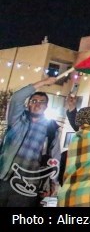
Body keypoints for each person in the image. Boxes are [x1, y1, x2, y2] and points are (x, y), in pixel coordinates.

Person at [0, 76, 61, 207]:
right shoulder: (16, 119)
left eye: (42, 102)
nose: (37, 104)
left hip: (28, 185)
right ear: (28, 104)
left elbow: (54, 158)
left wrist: (53, 183)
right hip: (3, 177)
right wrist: (43, 82)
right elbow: (16, 98)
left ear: (46, 107)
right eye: (34, 101)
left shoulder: (51, 129)